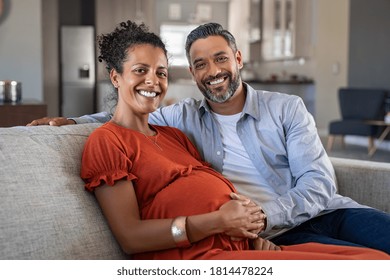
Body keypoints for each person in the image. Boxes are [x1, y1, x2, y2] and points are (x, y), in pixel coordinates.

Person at [29, 22, 390, 255]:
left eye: (220, 59)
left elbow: (318, 182)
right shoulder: (179, 118)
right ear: (193, 72)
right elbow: (127, 114)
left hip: (325, 212)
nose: (213, 71)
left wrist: (262, 216)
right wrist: (71, 121)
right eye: (200, 64)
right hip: (277, 237)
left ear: (237, 59)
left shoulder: (286, 108)